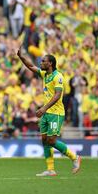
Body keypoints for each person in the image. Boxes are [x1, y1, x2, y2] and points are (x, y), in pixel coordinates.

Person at [17, 46, 81, 176]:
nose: (40, 63)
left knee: (51, 140)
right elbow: (31, 67)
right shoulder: (45, 74)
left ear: (50, 63)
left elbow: (57, 95)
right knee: (44, 139)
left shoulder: (58, 76)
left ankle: (74, 157)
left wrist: (44, 108)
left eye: (43, 61)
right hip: (46, 113)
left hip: (56, 113)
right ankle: (50, 169)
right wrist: (21, 57)